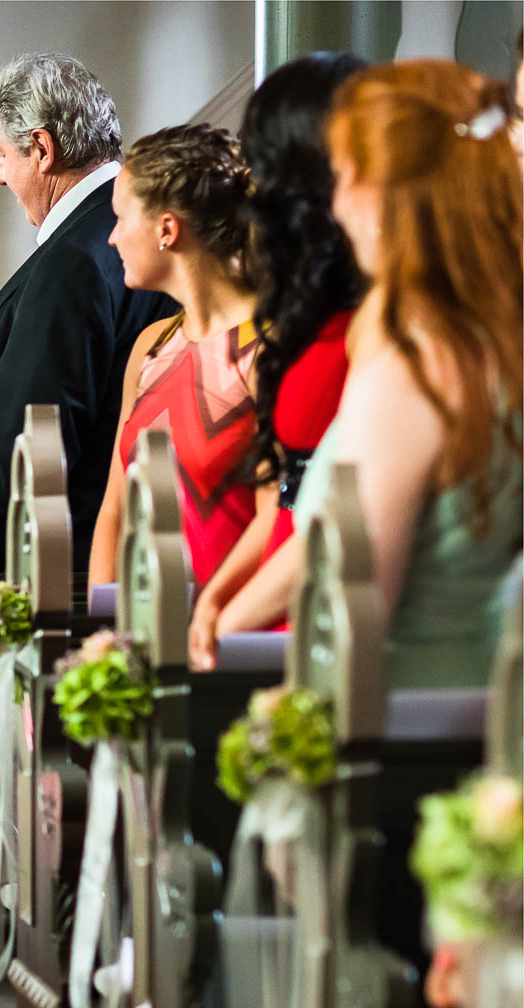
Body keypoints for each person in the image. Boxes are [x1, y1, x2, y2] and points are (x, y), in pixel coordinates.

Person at [291, 59, 521, 687]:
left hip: (397, 726)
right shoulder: (500, 340)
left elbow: (352, 611)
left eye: (342, 178)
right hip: (478, 713)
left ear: (386, 193)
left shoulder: (414, 361)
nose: (336, 207)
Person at [0, 52, 179, 573]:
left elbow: (31, 450)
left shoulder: (76, 260)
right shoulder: (126, 232)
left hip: (61, 575)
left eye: (0, 155)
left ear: (41, 148)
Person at [188, 53, 367, 668]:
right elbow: (284, 498)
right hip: (273, 593)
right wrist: (217, 603)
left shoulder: (371, 320)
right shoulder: (301, 309)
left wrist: (233, 623)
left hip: (320, 604)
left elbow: (345, 519)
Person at [88, 124, 262, 595]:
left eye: (121, 218)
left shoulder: (266, 349)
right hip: (139, 638)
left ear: (167, 229)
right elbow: (114, 511)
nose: (112, 238)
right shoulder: (150, 347)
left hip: (235, 644)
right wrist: (100, 637)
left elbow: (280, 525)